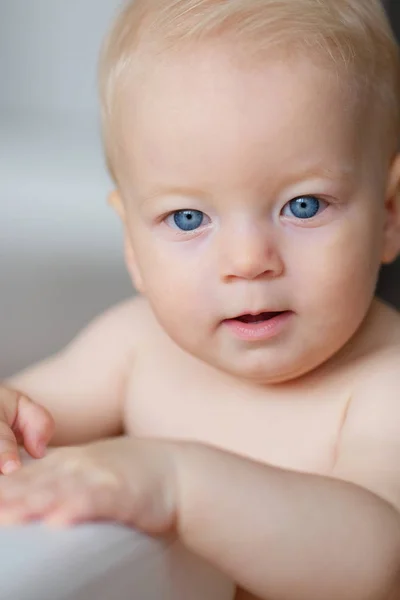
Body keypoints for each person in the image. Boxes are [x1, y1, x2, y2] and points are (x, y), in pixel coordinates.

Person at [1, 1, 400, 598]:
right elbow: (27, 416)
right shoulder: (133, 347)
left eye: (304, 205)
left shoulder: (382, 385)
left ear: (390, 214)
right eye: (188, 217)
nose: (247, 261)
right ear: (131, 243)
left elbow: (372, 563)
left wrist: (179, 485)